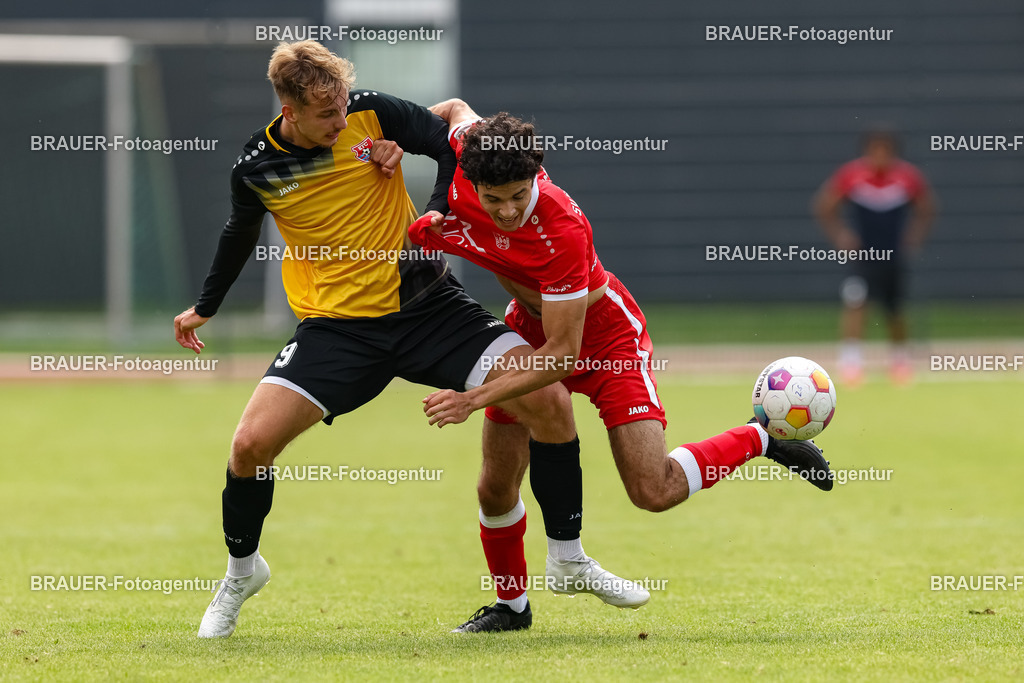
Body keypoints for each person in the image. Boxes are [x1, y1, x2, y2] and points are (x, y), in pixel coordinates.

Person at [174, 40, 633, 638]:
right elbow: (239, 231)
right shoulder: (256, 168)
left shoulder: (372, 112)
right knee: (248, 448)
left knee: (549, 401)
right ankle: (242, 573)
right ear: (288, 109)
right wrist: (204, 308)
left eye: (343, 106)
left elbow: (453, 147)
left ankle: (567, 557)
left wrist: (438, 209)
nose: (342, 121)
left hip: (428, 308)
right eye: (326, 115)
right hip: (336, 330)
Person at [409, 103, 835, 632]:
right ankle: (510, 609)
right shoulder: (473, 153)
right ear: (471, 178)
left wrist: (474, 397)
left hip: (602, 338)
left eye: (520, 195)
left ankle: (761, 439)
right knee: (494, 488)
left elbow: (562, 357)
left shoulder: (561, 228)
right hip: (531, 329)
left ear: (535, 176)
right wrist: (390, 147)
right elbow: (450, 110)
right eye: (494, 200)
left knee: (652, 491)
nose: (508, 211)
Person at [814, 127, 937, 385]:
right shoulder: (852, 176)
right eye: (875, 150)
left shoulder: (906, 178)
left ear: (893, 152)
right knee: (856, 303)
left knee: (895, 309)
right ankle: (851, 363)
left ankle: (900, 363)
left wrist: (914, 237)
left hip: (893, 256)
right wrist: (841, 236)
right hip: (862, 257)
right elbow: (824, 205)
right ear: (867, 151)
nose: (880, 155)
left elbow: (927, 207)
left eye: (885, 150)